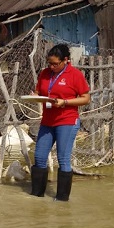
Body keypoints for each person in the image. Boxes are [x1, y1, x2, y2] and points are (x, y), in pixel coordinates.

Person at [31, 44, 90, 201]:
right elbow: (39, 91)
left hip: (67, 120)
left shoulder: (75, 75)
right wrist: (34, 96)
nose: (52, 66)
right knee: (39, 157)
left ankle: (62, 199)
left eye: (55, 64)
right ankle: (36, 196)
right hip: (47, 121)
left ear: (65, 60)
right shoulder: (44, 73)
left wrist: (64, 102)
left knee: (63, 159)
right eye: (49, 63)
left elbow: (86, 98)